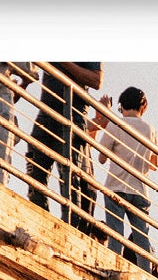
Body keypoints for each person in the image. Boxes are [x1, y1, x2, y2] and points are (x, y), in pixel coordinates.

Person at [25, 62, 102, 232]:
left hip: (72, 115)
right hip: (46, 111)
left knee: (69, 179)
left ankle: (67, 230)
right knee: (34, 176)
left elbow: (96, 81)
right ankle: (41, 225)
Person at [92, 85, 158, 274]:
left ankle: (113, 269)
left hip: (116, 186)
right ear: (143, 107)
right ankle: (146, 274)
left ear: (121, 106)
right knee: (141, 239)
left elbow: (102, 158)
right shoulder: (150, 129)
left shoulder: (116, 124)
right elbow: (154, 164)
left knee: (116, 235)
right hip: (140, 190)